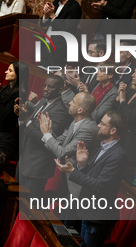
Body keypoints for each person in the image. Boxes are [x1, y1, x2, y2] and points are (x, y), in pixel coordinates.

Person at [55, 110, 127, 247]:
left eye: (102, 123)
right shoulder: (105, 147)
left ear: (113, 130)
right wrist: (82, 165)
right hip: (89, 210)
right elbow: (94, 177)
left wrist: (73, 172)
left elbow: (100, 187)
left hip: (98, 216)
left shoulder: (117, 155)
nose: (98, 125)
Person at [40, 92, 99, 224]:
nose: (69, 103)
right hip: (73, 185)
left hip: (82, 190)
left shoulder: (87, 129)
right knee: (63, 223)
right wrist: (48, 132)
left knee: (68, 228)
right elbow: (62, 141)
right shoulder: (77, 122)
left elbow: (63, 152)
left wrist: (46, 135)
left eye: (73, 101)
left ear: (80, 110)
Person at [17, 75, 71, 199]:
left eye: (50, 87)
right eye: (45, 85)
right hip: (25, 159)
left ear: (60, 90)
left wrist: (26, 120)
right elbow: (30, 123)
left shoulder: (60, 111)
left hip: (37, 166)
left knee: (28, 206)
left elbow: (46, 139)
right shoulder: (43, 101)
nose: (46, 89)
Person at [0, 61, 28, 161]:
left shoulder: (20, 94)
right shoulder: (4, 89)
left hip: (3, 139)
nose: (5, 72)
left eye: (10, 70)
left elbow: (4, 117)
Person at [40, 0, 82, 67]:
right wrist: (46, 14)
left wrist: (52, 15)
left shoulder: (75, 8)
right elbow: (42, 24)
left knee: (52, 78)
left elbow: (66, 30)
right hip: (45, 45)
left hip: (58, 51)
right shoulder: (55, 3)